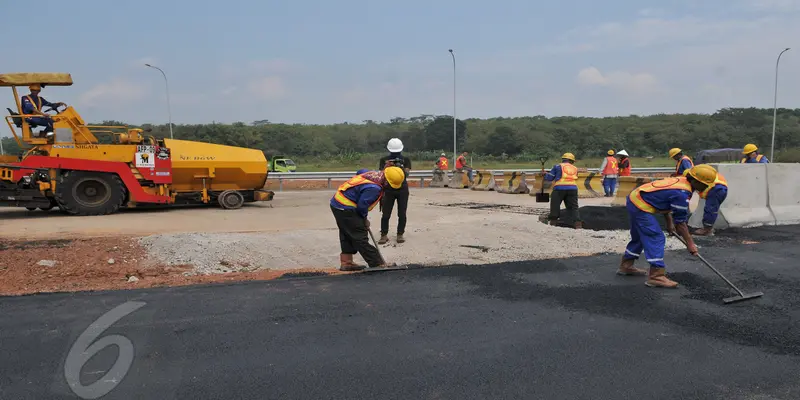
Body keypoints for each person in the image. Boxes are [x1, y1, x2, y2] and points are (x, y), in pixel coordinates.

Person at [616, 164, 717, 288]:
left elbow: (665, 203)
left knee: (640, 236)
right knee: (656, 237)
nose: (707, 188)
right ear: (696, 181)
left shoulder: (682, 181)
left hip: (635, 199)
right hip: (640, 205)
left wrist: (669, 223)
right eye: (705, 185)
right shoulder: (681, 194)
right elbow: (680, 223)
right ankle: (656, 276)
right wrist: (690, 244)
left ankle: (626, 266)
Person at [330, 167, 405, 271]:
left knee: (347, 232)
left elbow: (360, 171)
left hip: (338, 203)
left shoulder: (372, 174)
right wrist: (364, 219)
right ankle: (377, 263)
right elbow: (362, 206)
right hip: (346, 207)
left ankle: (346, 262)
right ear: (387, 181)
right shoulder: (374, 188)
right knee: (359, 236)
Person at [378, 138, 412, 244]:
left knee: (402, 213)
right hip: (388, 189)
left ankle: (400, 234)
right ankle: (384, 235)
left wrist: (399, 167)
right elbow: (381, 175)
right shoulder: (384, 160)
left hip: (402, 189)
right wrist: (387, 167)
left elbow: (406, 174)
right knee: (386, 214)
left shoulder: (405, 160)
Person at [543, 152, 582, 229]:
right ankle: (577, 223)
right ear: (572, 161)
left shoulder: (557, 166)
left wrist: (545, 174)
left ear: (563, 159)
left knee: (555, 205)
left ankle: (553, 221)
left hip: (559, 188)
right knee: (573, 207)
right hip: (573, 188)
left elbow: (550, 178)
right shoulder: (575, 168)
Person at [692, 171, 727, 236]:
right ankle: (708, 228)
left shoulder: (694, 176)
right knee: (711, 209)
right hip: (719, 186)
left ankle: (707, 229)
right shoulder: (698, 173)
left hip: (716, 188)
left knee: (710, 209)